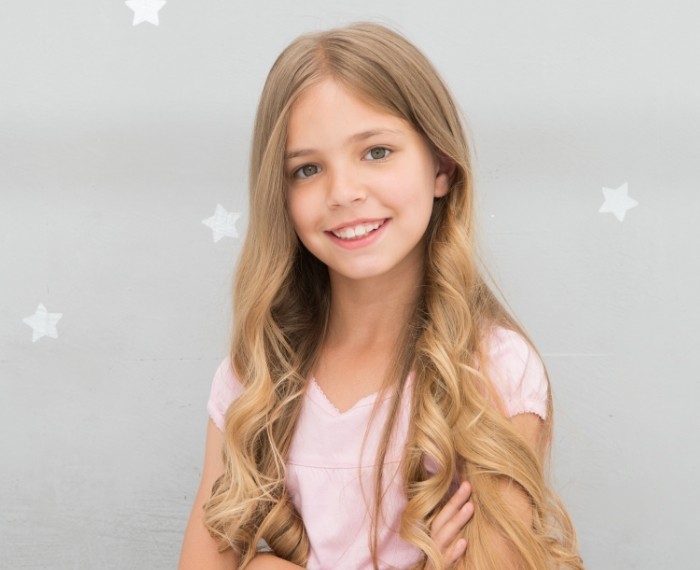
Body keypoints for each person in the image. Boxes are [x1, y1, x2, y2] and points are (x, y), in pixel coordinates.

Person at [179, 22, 583, 570]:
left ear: (440, 166)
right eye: (308, 169)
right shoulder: (255, 378)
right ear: (282, 195)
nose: (343, 192)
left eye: (376, 152)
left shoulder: (494, 372)